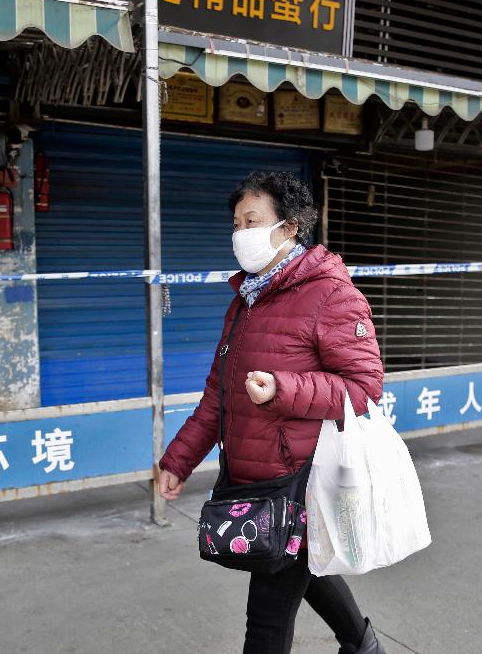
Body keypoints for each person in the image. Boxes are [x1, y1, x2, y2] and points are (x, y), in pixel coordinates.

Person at [155, 171, 387, 654]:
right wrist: (178, 460)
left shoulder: (331, 295)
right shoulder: (246, 299)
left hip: (298, 479)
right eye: (237, 222)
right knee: (301, 564)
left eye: (252, 220)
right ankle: (364, 646)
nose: (241, 233)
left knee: (265, 620)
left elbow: (363, 386)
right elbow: (219, 396)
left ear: (290, 227)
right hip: (252, 476)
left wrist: (283, 389)